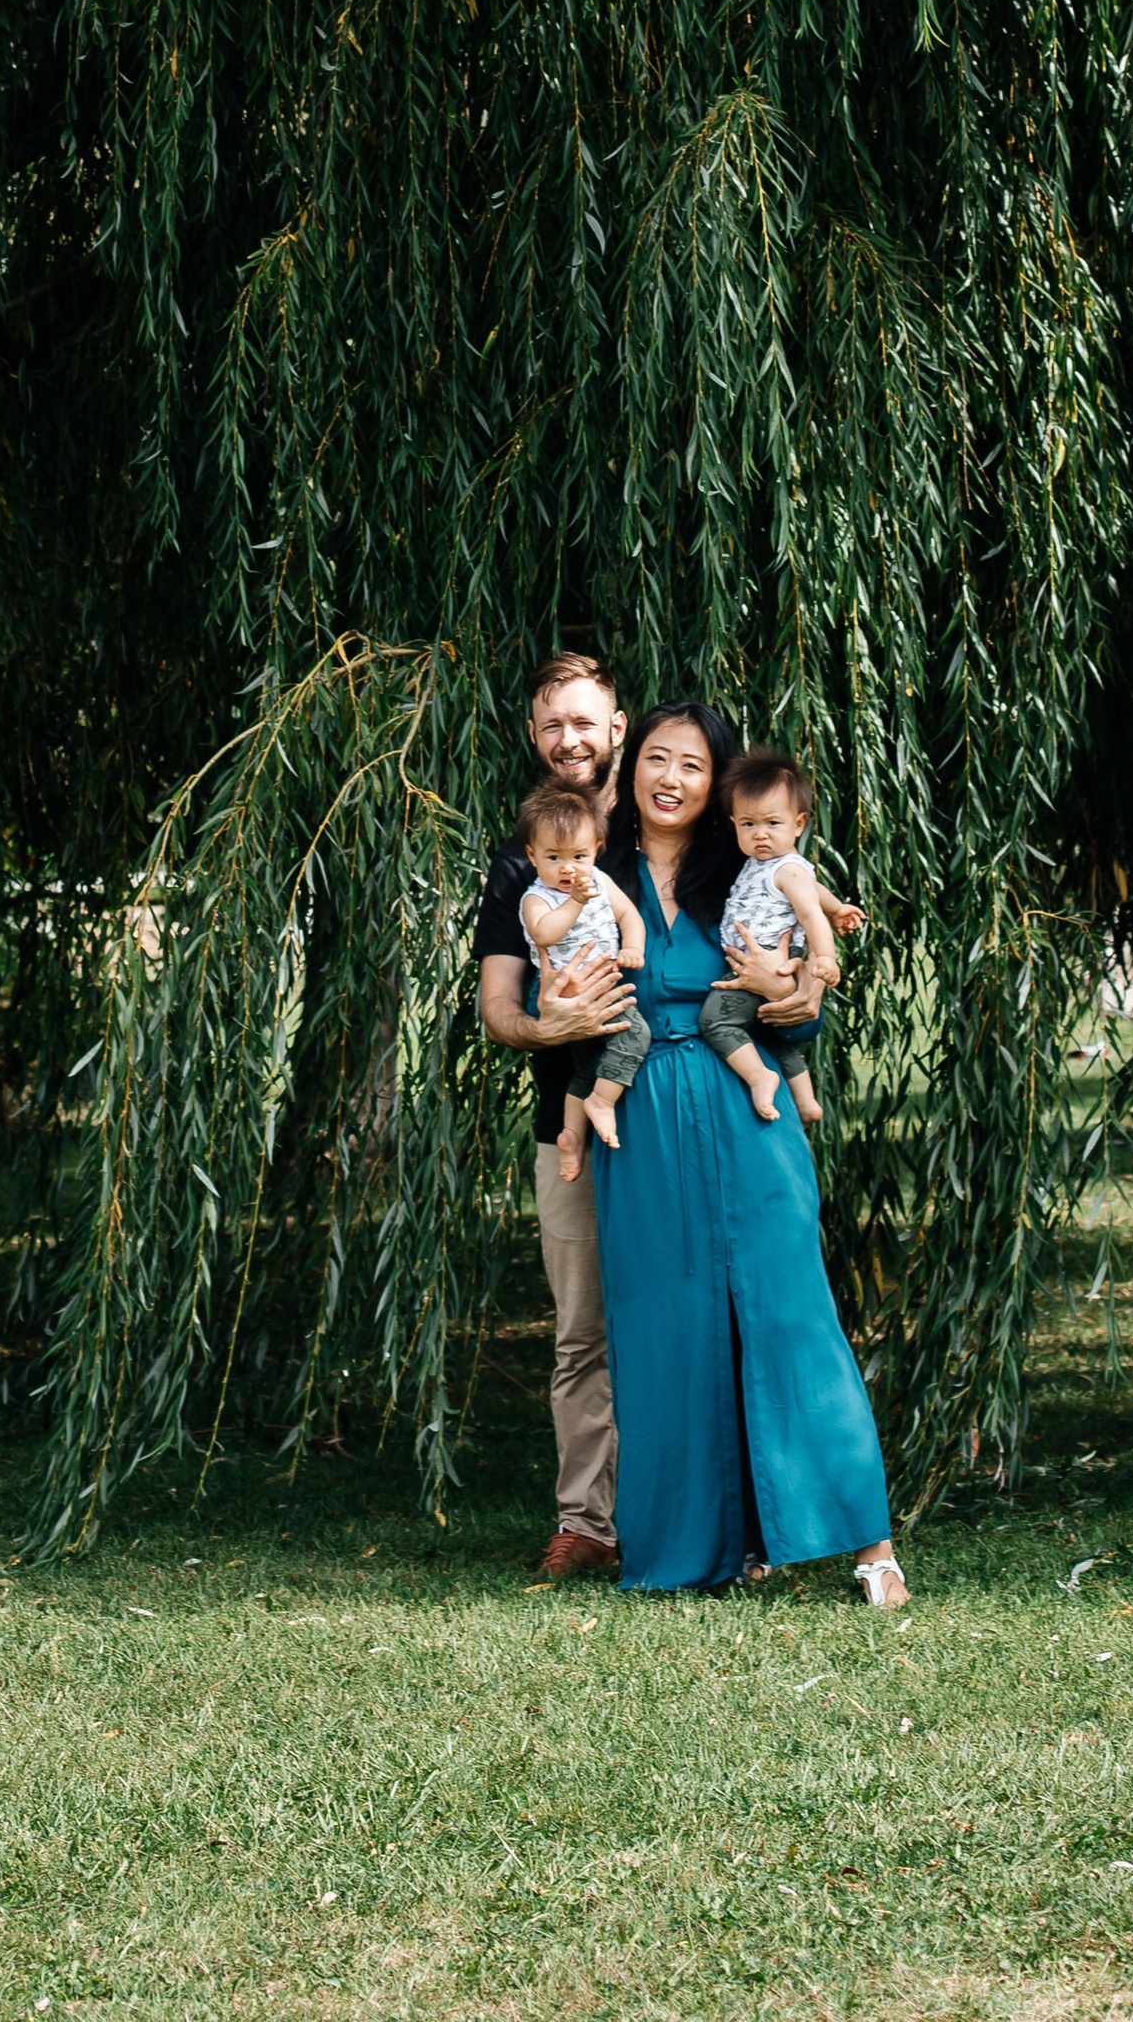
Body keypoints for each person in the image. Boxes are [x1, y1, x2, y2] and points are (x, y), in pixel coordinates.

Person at [589, 699, 909, 1604]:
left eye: (693, 765)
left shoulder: (750, 861)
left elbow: (807, 992)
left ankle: (869, 1546)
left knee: (789, 1308)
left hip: (743, 1102)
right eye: (657, 757)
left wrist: (794, 983)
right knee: (667, 1325)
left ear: (719, 783)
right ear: (630, 762)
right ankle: (700, 1549)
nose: (671, 778)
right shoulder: (594, 866)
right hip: (643, 1113)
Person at [472, 651, 632, 1581]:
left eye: (586, 721)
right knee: (582, 1332)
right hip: (561, 1128)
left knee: (688, 1315)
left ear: (619, 727)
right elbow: (497, 1006)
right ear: (534, 740)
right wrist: (548, 1023)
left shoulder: (671, 832)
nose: (569, 739)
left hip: (676, 1113)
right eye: (551, 725)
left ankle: (702, 1515)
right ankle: (586, 1523)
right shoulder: (520, 860)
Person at [696, 753, 864, 1125]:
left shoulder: (786, 869)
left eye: (773, 823)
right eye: (748, 824)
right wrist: (839, 908)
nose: (760, 834)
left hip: (772, 957)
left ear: (799, 824)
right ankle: (806, 1102)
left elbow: (809, 914)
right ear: (733, 824)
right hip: (763, 957)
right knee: (773, 1036)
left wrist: (825, 958)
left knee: (716, 1022)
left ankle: (760, 1077)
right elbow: (817, 893)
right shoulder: (767, 865)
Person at [514, 781, 650, 1169]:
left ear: (597, 852)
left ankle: (571, 1137)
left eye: (579, 855)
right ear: (532, 855)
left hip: (603, 986)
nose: (568, 868)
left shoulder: (602, 882)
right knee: (636, 1035)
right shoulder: (537, 897)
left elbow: (629, 916)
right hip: (566, 993)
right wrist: (575, 902)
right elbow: (544, 932)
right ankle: (602, 1102)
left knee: (587, 1067)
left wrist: (633, 948)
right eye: (554, 857)